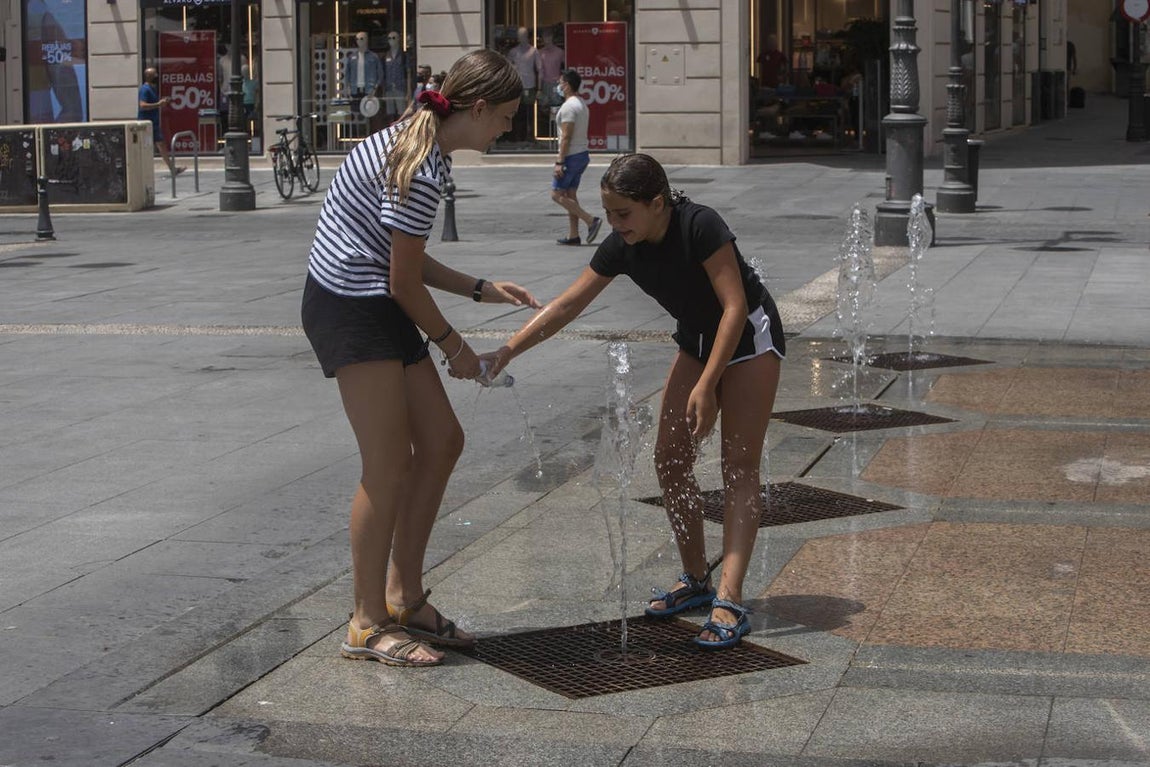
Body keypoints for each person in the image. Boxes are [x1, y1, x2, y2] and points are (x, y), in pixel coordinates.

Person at [482, 153, 785, 650]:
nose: (615, 223)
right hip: (698, 340)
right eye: (610, 212)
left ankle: (729, 599)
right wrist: (507, 351)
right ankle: (695, 579)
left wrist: (708, 385)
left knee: (739, 465)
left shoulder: (701, 226)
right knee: (669, 458)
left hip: (750, 339)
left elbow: (734, 308)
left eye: (624, 213)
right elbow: (568, 305)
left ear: (657, 203)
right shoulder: (624, 244)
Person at [301, 49, 540, 667]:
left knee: (441, 441)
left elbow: (399, 261)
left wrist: (480, 288)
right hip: (350, 308)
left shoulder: (416, 142)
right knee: (387, 464)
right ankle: (365, 622)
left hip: (375, 296)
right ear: (478, 108)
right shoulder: (421, 166)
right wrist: (457, 348)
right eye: (507, 117)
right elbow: (403, 281)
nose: (508, 128)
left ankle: (404, 597)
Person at [551, 69, 602, 246]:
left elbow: (566, 136)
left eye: (561, 82)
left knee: (556, 195)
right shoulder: (581, 104)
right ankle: (573, 235)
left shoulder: (569, 107)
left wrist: (560, 161)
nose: (559, 86)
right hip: (581, 154)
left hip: (571, 156)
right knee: (570, 194)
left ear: (567, 85)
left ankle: (591, 220)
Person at [137, 67, 184, 176]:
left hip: (154, 122)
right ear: (149, 77)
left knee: (161, 145)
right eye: (154, 75)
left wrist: (162, 101)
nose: (157, 76)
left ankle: (172, 169)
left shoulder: (153, 88)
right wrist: (158, 104)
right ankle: (141, 171)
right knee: (145, 147)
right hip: (146, 124)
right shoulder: (145, 89)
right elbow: (142, 105)